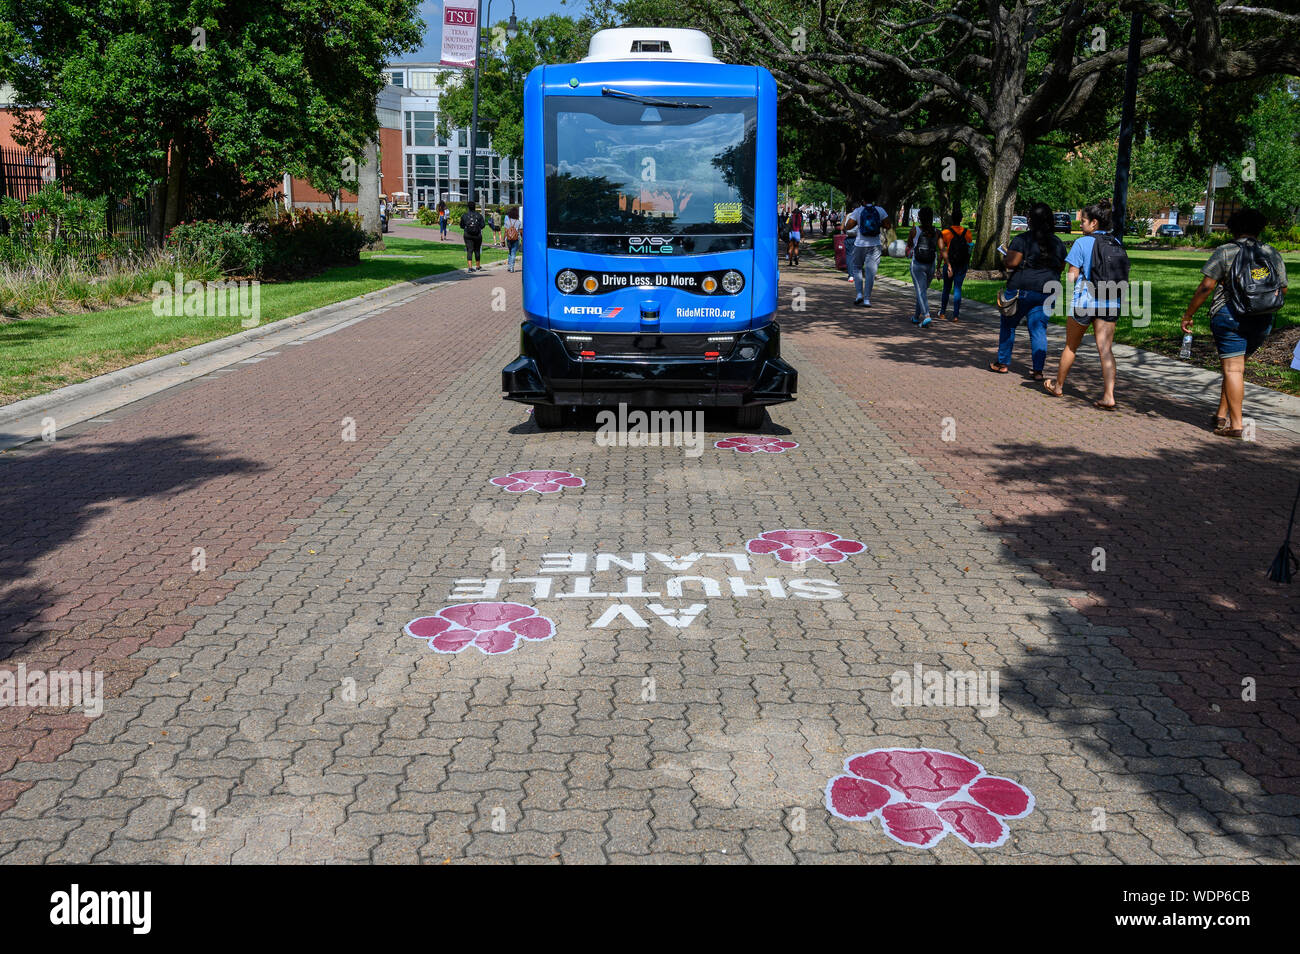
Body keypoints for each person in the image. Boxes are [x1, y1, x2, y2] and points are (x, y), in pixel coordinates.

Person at [1179, 208, 1288, 438]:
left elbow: (1206, 287)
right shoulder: (1271, 252)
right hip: (1262, 317)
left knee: (1233, 369)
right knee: (1235, 368)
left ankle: (1236, 425)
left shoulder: (1226, 251)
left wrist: (1189, 314)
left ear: (1233, 228)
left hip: (1230, 315)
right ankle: (1220, 415)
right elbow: (1283, 288)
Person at [1042, 198, 1128, 409]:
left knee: (1071, 345)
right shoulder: (1116, 243)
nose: (1080, 225)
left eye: (1083, 221)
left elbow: (1072, 277)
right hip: (1110, 300)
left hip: (1085, 301)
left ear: (1094, 223)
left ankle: (1058, 385)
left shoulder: (1082, 243)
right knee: (1105, 349)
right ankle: (1109, 395)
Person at [991, 202, 1066, 377]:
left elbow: (1011, 263)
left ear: (1030, 220)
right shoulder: (1057, 243)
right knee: (1038, 328)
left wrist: (1005, 255)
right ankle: (1038, 370)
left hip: (1021, 288)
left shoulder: (1022, 240)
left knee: (1009, 324)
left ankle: (1002, 363)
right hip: (1048, 289)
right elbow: (1061, 266)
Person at [845, 195, 889, 306]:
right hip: (875, 244)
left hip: (860, 243)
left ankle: (859, 293)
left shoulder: (858, 211)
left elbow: (848, 226)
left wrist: (858, 222)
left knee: (857, 267)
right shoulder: (880, 210)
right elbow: (888, 225)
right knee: (870, 272)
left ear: (863, 200)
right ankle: (867, 299)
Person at [906, 206, 939, 326]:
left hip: (917, 264)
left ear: (919, 218)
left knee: (921, 292)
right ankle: (915, 317)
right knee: (922, 291)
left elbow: (909, 246)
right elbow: (941, 249)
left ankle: (926, 316)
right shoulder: (936, 232)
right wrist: (941, 266)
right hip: (931, 264)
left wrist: (907, 252)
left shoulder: (914, 230)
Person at [938, 212, 972, 322]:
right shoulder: (968, 233)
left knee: (946, 289)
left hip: (948, 264)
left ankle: (942, 312)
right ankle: (956, 315)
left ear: (951, 219)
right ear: (961, 219)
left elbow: (942, 251)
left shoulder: (945, 233)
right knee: (957, 289)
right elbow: (969, 250)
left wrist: (938, 266)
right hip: (962, 265)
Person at [460, 201, 485, 272]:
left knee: (469, 250)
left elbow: (461, 226)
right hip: (477, 235)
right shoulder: (479, 215)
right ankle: (477, 266)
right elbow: (483, 225)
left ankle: (470, 267)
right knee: (477, 250)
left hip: (467, 235)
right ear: (475, 207)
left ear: (468, 207)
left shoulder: (465, 215)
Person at [504, 205, 523, 273]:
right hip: (516, 239)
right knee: (513, 252)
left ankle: (509, 266)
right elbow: (521, 232)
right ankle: (512, 267)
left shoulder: (507, 221)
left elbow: (505, 232)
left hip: (508, 239)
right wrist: (522, 239)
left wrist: (503, 240)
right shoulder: (518, 222)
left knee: (510, 251)